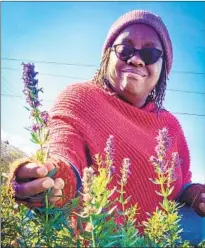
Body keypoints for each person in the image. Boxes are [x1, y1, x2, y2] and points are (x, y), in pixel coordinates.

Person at [10, 10, 205, 244]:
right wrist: (54, 176)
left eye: (151, 53)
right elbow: (64, 145)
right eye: (125, 49)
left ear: (164, 67)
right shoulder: (80, 97)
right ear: (107, 56)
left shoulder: (170, 125)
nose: (136, 59)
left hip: (161, 237)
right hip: (102, 236)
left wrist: (195, 195)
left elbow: (181, 182)